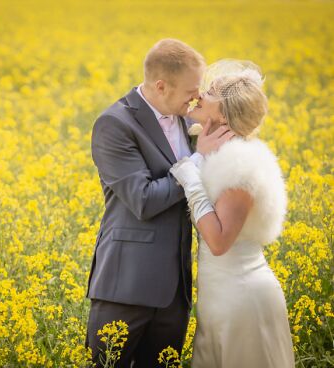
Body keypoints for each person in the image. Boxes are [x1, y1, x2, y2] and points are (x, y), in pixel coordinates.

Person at [86, 39, 232, 367]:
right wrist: (198, 160)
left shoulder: (185, 118)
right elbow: (143, 200)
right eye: (190, 91)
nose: (196, 98)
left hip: (174, 291)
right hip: (126, 287)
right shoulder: (115, 124)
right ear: (161, 85)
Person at [170, 59, 294, 367]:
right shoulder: (217, 153)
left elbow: (219, 241)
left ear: (224, 113)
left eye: (210, 92)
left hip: (243, 301)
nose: (199, 94)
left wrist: (190, 175)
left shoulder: (241, 163)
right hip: (219, 299)